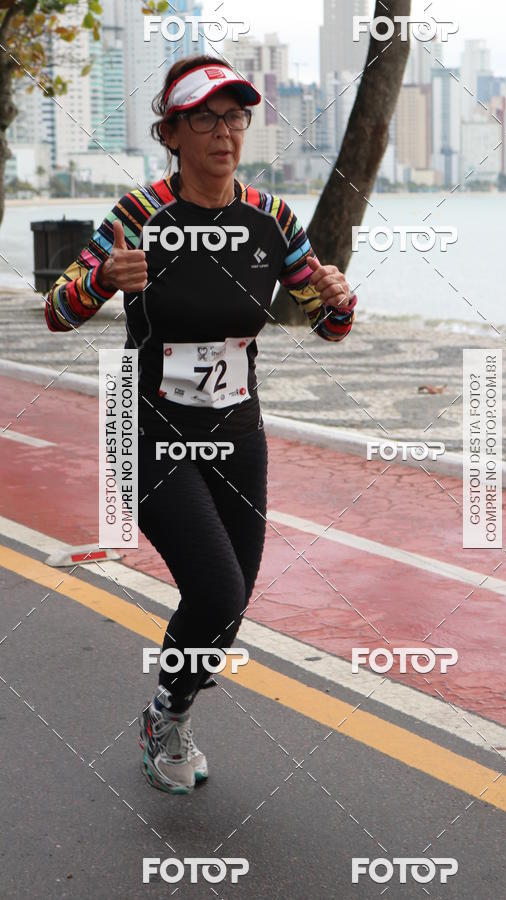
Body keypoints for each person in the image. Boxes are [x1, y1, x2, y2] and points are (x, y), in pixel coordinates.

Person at [44, 54, 358, 795]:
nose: (225, 132)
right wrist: (99, 280)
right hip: (149, 429)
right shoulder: (137, 216)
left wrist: (339, 298)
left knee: (231, 602)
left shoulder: (271, 218)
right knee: (215, 590)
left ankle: (174, 708)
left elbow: (329, 325)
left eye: (237, 116)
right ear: (173, 132)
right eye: (206, 118)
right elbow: (58, 310)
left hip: (237, 434)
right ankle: (164, 721)